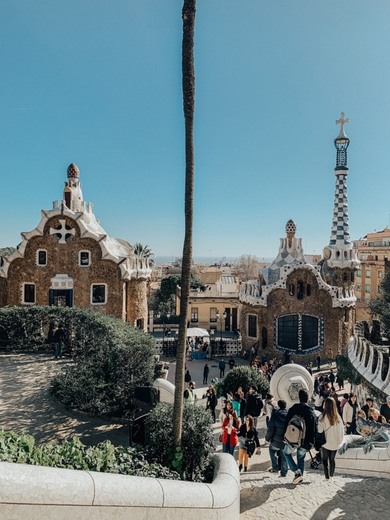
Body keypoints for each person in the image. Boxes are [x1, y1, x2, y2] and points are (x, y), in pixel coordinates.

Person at [283, 389, 317, 485]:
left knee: (286, 453)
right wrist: (311, 443)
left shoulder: (293, 408)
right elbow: (314, 429)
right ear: (308, 399)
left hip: (292, 438)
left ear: (299, 397)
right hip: (305, 441)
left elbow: (286, 422)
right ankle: (299, 476)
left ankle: (296, 472)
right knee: (300, 458)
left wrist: (284, 435)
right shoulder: (311, 412)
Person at [318, 397, 345, 479]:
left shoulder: (322, 417)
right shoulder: (338, 417)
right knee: (332, 460)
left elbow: (319, 431)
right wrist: (340, 441)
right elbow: (342, 431)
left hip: (325, 443)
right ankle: (332, 474)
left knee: (325, 459)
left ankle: (327, 476)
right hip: (335, 443)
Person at [265, 399, 288, 476]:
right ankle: (284, 472)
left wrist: (267, 438)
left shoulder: (275, 414)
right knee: (284, 455)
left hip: (276, 440)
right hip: (286, 440)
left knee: (271, 450)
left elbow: (270, 429)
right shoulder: (289, 414)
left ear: (278, 406)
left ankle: (275, 467)